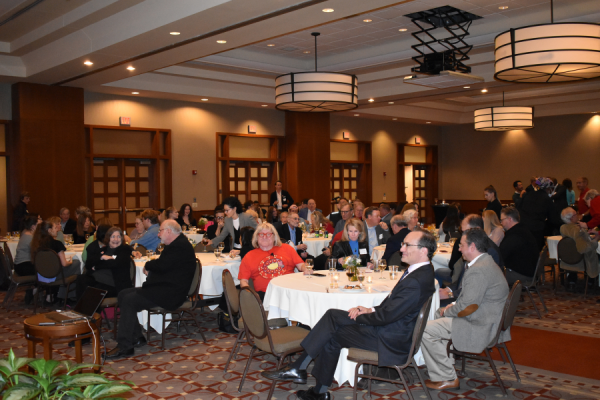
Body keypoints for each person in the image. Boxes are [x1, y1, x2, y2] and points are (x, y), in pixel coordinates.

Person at [262, 231, 437, 400]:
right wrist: (370, 310)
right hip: (392, 329)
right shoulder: (421, 271)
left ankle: (305, 376)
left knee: (330, 330)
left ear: (423, 250)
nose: (401, 248)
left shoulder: (415, 280)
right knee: (331, 322)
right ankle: (311, 382)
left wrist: (359, 317)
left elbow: (388, 316)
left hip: (390, 338)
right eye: (403, 244)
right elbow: (394, 305)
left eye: (407, 245)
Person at [421, 228, 509, 391]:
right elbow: (473, 300)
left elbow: (469, 307)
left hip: (480, 325)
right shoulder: (487, 262)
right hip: (486, 318)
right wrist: (452, 306)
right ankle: (446, 366)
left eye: (461, 245)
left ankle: (447, 377)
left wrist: (447, 311)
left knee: (424, 330)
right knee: (435, 316)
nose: (459, 248)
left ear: (472, 246)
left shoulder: (478, 270)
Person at [106, 220, 196, 359]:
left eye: (160, 231)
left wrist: (148, 265)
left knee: (130, 300)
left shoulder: (179, 247)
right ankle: (137, 337)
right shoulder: (176, 244)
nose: (158, 234)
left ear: (168, 231)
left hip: (171, 293)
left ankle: (125, 346)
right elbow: (163, 265)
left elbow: (161, 265)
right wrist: (152, 266)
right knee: (123, 294)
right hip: (165, 287)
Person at [238, 222, 307, 300]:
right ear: (256, 237)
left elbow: (301, 265)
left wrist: (306, 269)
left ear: (274, 237)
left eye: (268, 234)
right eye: (261, 234)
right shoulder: (249, 256)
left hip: (290, 291)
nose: (264, 237)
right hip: (266, 295)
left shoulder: (287, 248)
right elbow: (243, 281)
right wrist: (250, 295)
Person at [436, 214, 504, 289]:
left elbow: (478, 287)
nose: (463, 235)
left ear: (477, 229)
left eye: (466, 231)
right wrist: (449, 290)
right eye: (462, 232)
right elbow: (462, 279)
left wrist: (451, 294)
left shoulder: (489, 251)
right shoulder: (472, 248)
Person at [76, 226, 136, 299]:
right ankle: (82, 308)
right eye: (113, 236)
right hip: (99, 279)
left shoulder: (124, 250)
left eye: (118, 237)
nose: (116, 239)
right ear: (108, 238)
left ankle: (90, 309)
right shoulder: (104, 250)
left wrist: (96, 266)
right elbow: (88, 264)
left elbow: (114, 264)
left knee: (92, 288)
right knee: (81, 279)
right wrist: (102, 257)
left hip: (115, 284)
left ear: (122, 238)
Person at [31, 221, 82, 301]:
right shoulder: (57, 244)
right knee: (77, 262)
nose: (57, 230)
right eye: (55, 228)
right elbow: (64, 264)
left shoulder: (36, 244)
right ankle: (69, 296)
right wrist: (71, 261)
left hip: (41, 275)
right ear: (49, 230)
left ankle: (54, 294)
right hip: (54, 275)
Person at [560, 207, 600, 289]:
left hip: (568, 259)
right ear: (572, 218)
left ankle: (572, 279)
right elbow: (583, 248)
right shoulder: (578, 230)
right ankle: (591, 280)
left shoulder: (563, 228)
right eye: (576, 214)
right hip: (581, 260)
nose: (578, 215)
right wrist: (596, 239)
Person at [499, 207, 539, 286]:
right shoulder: (523, 230)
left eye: (502, 220)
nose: (501, 223)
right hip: (529, 271)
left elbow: (501, 255)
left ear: (509, 219)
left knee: (491, 276)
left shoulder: (515, 235)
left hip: (522, 275)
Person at [518, 177, 553, 251]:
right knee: (536, 249)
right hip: (537, 228)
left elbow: (519, 207)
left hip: (523, 226)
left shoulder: (528, 195)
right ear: (548, 188)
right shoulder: (547, 199)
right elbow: (552, 217)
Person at [13, 216, 38, 304]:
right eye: (37, 224)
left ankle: (34, 289)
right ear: (33, 226)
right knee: (44, 270)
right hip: (23, 266)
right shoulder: (30, 237)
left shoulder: (24, 232)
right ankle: (33, 290)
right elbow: (37, 251)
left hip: (19, 265)